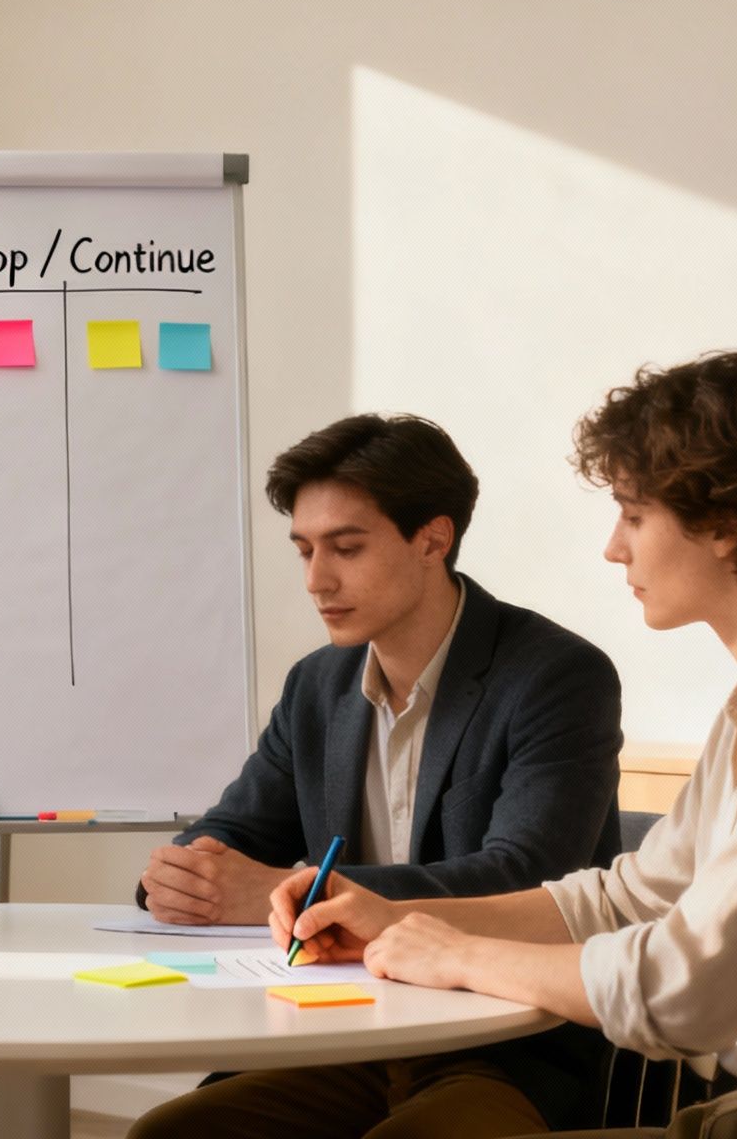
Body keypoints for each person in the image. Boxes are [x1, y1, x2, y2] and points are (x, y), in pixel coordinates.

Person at [274, 353, 737, 1139]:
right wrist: (395, 917)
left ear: (727, 525)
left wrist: (457, 954)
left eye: (634, 514)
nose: (614, 547)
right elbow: (626, 898)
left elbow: (682, 991)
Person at [130, 414, 625, 1137]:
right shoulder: (317, 686)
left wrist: (289, 890)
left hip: (500, 1042)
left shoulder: (555, 675)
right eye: (304, 550)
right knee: (167, 1135)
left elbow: (529, 875)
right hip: (340, 1032)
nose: (316, 580)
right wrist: (184, 874)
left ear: (433, 538)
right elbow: (235, 829)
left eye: (347, 548)